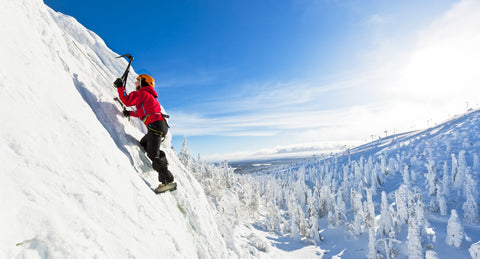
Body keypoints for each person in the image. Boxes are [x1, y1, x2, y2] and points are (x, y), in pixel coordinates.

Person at [114, 74, 175, 192]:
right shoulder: (148, 96)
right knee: (144, 143)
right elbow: (142, 114)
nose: (135, 83)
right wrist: (129, 114)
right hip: (159, 125)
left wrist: (120, 86)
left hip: (155, 126)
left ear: (143, 82)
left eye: (138, 81)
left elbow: (127, 100)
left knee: (152, 154)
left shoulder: (142, 93)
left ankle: (167, 181)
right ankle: (162, 162)